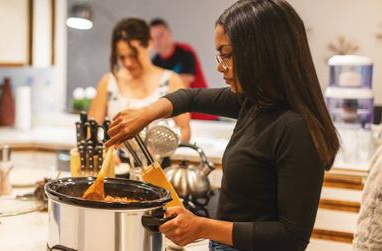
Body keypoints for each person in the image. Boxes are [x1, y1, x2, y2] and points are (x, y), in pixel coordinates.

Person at [106, 1, 340, 250]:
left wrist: (202, 226)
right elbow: (189, 97)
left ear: (261, 53)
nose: (220, 66)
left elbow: (291, 237)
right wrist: (144, 114)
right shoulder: (254, 103)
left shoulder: (296, 128)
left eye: (227, 55)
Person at [88, 17, 190, 142]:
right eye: (122, 57)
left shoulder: (171, 81)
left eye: (133, 55)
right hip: (116, 161)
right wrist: (105, 148)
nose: (128, 63)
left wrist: (161, 148)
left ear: (150, 43)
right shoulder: (109, 82)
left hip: (158, 160)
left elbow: (185, 131)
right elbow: (90, 131)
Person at [150, 18, 218, 121]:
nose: (157, 41)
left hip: (203, 114)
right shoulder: (155, 61)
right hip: (179, 117)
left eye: (160, 35)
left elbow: (182, 86)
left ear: (169, 34)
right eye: (153, 38)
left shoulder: (185, 52)